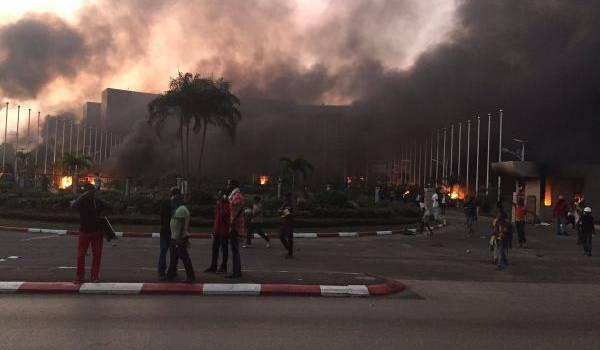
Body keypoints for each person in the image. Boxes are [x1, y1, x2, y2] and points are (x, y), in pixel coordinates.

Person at [71, 183, 105, 283]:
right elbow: (73, 206)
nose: (92, 194)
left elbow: (104, 214)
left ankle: (95, 276)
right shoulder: (81, 202)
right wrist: (83, 195)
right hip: (84, 231)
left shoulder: (98, 202)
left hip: (97, 232)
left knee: (97, 255)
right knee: (81, 255)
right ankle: (79, 276)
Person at [166, 192, 196, 282]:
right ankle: (170, 275)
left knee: (184, 258)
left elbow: (182, 224)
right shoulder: (180, 209)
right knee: (174, 257)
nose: (172, 202)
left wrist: (179, 238)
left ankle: (191, 277)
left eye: (174, 200)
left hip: (178, 238)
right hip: (176, 237)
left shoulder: (181, 209)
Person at [205, 190, 230, 273]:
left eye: (220, 195)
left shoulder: (227, 205)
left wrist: (222, 204)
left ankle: (223, 267)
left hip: (224, 230)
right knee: (215, 249)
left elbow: (223, 215)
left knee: (224, 249)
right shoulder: (218, 204)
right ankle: (213, 266)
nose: (219, 196)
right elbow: (216, 217)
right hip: (217, 229)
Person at [157, 187, 179, 280]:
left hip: (164, 230)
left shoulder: (165, 203)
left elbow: (161, 216)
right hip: (173, 231)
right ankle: (172, 271)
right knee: (173, 252)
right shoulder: (177, 205)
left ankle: (161, 271)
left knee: (163, 251)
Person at [227, 179, 244, 278]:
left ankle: (237, 272)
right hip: (233, 225)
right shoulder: (234, 195)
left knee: (235, 250)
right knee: (234, 249)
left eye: (229, 184)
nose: (227, 185)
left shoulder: (237, 196)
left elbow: (235, 210)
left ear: (233, 185)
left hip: (235, 226)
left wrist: (232, 222)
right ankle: (236, 271)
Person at [279, 193, 295, 258]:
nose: (285, 199)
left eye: (287, 197)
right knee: (281, 236)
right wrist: (284, 213)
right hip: (284, 222)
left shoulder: (292, 204)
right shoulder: (284, 204)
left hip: (290, 223)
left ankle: (290, 253)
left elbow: (295, 213)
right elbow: (279, 211)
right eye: (285, 197)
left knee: (289, 237)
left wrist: (285, 213)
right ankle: (288, 248)